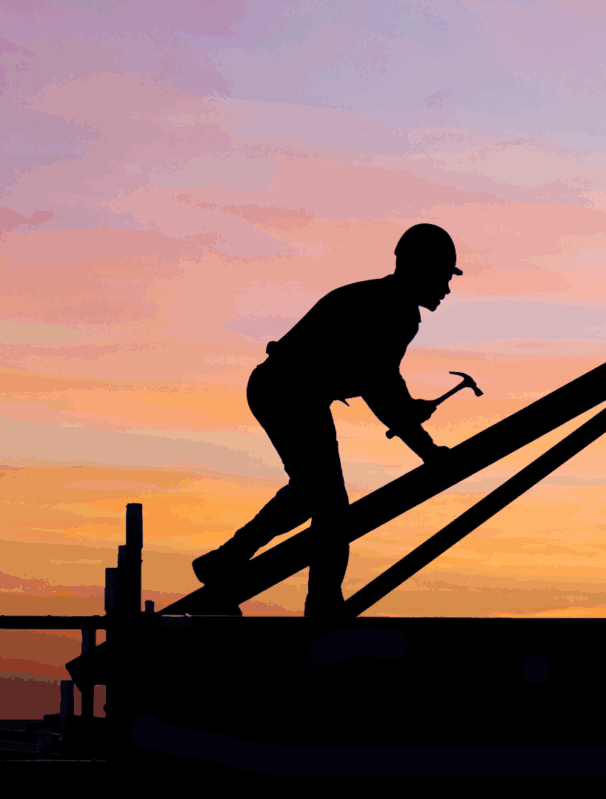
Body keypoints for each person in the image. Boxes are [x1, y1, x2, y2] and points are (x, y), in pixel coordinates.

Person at [191, 222, 461, 617]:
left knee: (309, 493)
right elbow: (378, 386)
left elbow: (384, 381)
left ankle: (224, 560)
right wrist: (425, 446)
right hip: (288, 393)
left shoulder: (394, 307)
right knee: (331, 506)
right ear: (419, 268)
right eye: (442, 276)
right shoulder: (390, 310)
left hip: (290, 393)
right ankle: (321, 607)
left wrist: (411, 420)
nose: (447, 289)